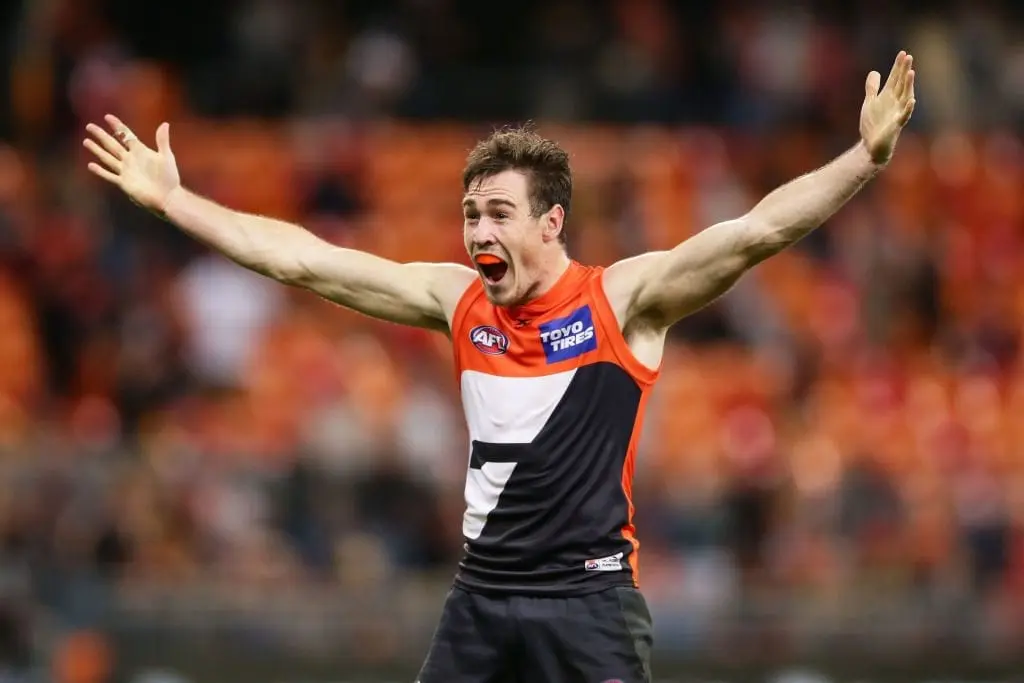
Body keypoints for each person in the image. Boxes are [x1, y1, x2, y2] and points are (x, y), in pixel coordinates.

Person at [83, 51, 916, 683]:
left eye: (498, 214)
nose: (479, 232)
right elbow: (303, 260)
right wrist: (176, 201)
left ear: (551, 222)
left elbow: (756, 233)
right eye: (470, 214)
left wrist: (864, 158)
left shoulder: (622, 301)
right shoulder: (457, 300)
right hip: (479, 600)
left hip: (588, 606)